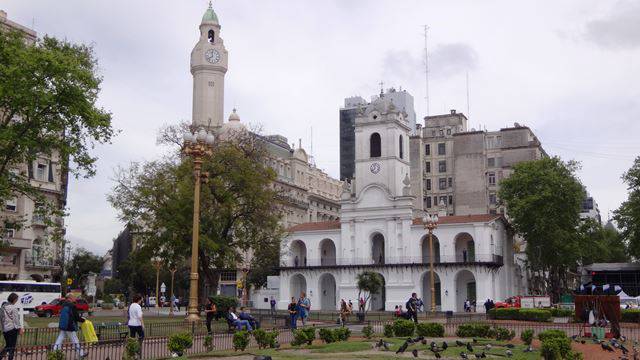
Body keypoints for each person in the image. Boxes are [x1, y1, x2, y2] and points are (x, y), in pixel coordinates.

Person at [54, 293, 86, 359]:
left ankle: (54, 352)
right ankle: (81, 354)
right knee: (75, 339)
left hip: (63, 325)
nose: (74, 298)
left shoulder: (63, 305)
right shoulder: (72, 306)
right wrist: (84, 320)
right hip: (70, 325)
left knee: (60, 338)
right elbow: (76, 317)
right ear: (69, 298)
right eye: (73, 297)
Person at [0, 293, 23, 360]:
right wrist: (19, 329)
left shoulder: (3, 307)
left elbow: (1, 319)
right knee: (12, 347)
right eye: (16, 299)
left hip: (5, 330)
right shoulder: (13, 308)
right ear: (14, 299)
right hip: (12, 329)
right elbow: (16, 320)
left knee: (8, 345)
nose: (16, 301)